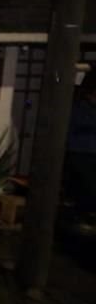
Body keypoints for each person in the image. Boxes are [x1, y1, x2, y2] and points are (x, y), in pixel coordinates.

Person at [65, 71, 96, 221]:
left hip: (87, 151)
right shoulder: (79, 107)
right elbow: (76, 125)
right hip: (80, 151)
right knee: (85, 185)